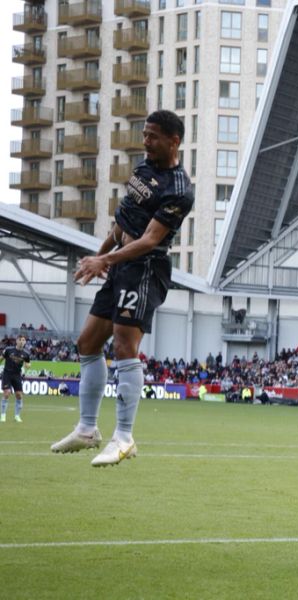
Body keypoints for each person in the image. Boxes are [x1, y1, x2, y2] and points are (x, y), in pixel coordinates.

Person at [50, 110, 193, 467]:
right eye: (144, 134)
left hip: (145, 268)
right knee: (87, 343)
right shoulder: (142, 170)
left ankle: (124, 438)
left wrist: (106, 261)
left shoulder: (179, 190)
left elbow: (149, 240)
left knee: (124, 344)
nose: (145, 141)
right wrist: (97, 257)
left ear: (174, 141)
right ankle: (86, 429)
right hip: (119, 265)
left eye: (153, 136)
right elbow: (121, 224)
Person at [1, 334, 31, 423]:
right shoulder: (8, 350)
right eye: (20, 340)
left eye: (24, 340)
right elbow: (1, 358)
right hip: (7, 374)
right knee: (7, 393)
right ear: (17, 341)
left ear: (25, 342)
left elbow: (28, 363)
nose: (22, 342)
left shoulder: (26, 354)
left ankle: (17, 416)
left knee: (19, 395)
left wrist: (28, 365)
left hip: (17, 375)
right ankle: (3, 415)